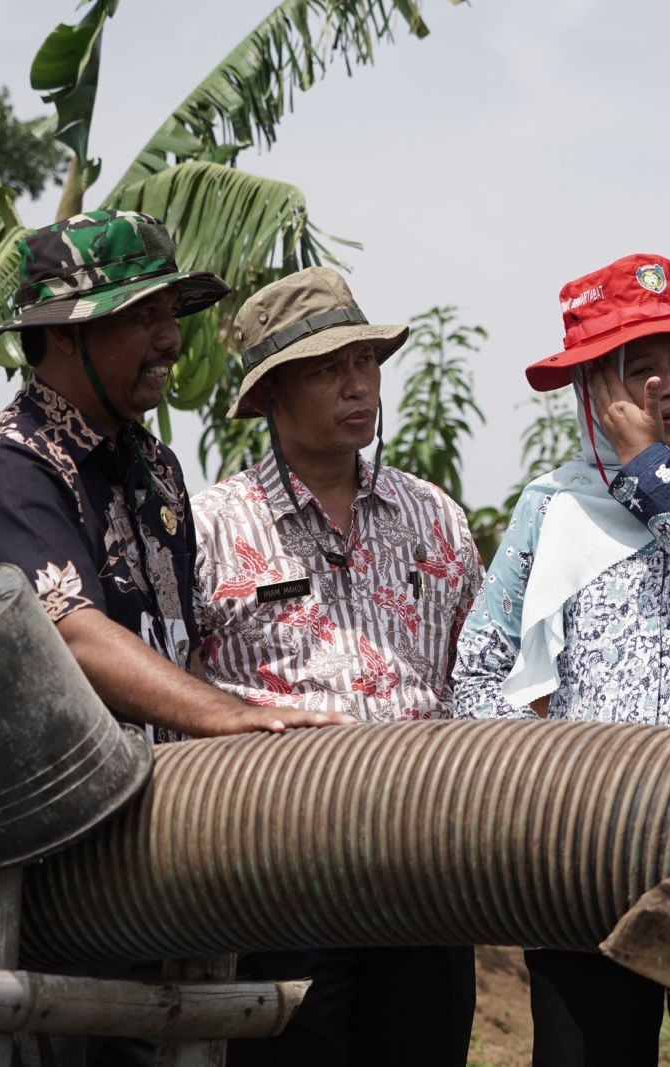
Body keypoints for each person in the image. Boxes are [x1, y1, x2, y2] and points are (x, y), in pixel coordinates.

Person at [452, 253, 670, 1066]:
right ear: (592, 392)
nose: (669, 385)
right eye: (637, 369)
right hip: (587, 865)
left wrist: (653, 478)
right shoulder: (554, 504)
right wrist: (551, 785)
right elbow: (477, 670)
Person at [192, 266, 482, 1067]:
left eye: (366, 361)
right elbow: (172, 696)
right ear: (272, 395)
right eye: (328, 368)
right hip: (279, 874)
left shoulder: (434, 517)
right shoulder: (213, 528)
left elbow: (481, 680)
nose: (359, 385)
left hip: (424, 870)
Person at [0, 209, 350, 742]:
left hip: (158, 796)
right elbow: (70, 639)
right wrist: (227, 713)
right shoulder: (9, 468)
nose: (171, 340)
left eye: (171, 314)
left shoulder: (153, 467)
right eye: (143, 315)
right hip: (52, 808)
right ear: (66, 333)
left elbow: (181, 648)